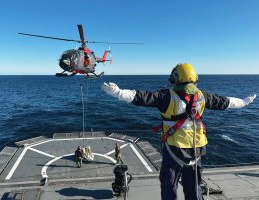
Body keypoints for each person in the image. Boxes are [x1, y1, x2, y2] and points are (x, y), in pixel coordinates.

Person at [101, 63, 256, 200]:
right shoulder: (202, 96)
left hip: (174, 147)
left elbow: (142, 97)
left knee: (169, 184)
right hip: (197, 147)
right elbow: (225, 102)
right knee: (194, 185)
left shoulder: (167, 96)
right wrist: (244, 102)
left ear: (176, 78)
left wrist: (117, 92)